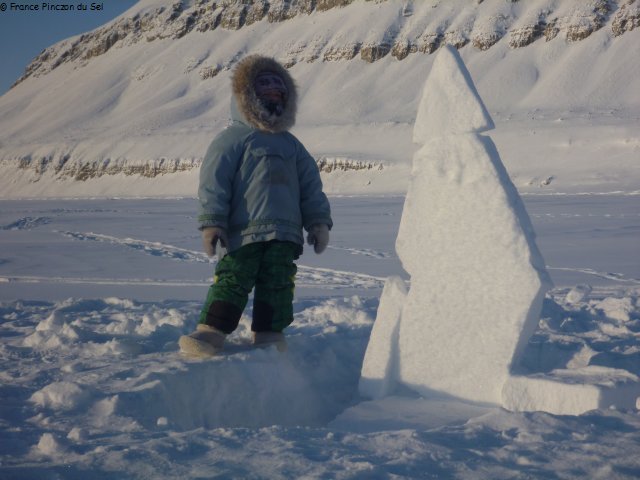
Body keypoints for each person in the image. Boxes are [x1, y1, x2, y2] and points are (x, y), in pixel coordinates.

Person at [179, 55, 333, 356]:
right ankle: (211, 332)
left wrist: (318, 222)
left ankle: (270, 336)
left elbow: (311, 187)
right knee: (233, 279)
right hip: (243, 231)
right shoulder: (233, 140)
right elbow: (214, 182)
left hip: (284, 234)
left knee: (278, 284)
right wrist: (212, 222)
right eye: (264, 85)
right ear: (246, 95)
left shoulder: (292, 146)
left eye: (278, 86)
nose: (273, 91)